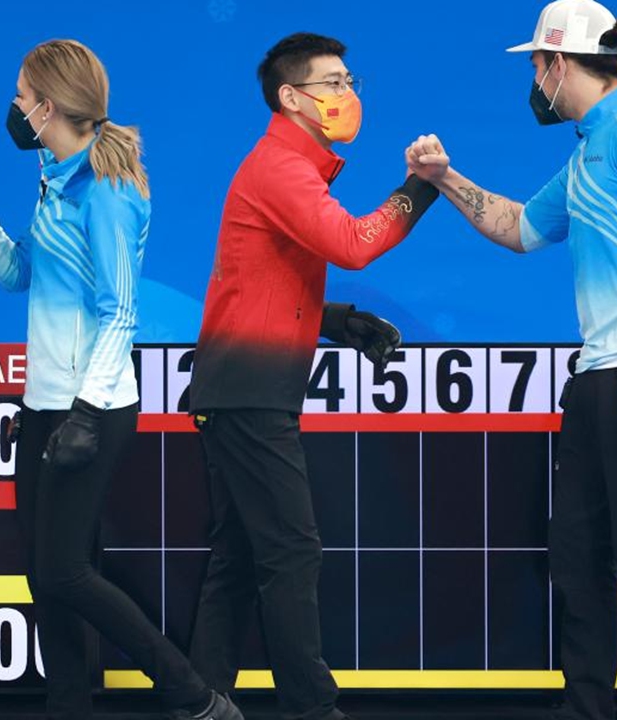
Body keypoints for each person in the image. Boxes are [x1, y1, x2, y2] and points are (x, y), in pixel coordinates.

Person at [405, 2, 617, 717]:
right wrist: (444, 177)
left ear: (557, 62)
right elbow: (518, 228)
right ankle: (587, 709)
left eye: (536, 66)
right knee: (578, 553)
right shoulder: (588, 150)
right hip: (601, 375)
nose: (534, 81)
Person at [0, 39, 241, 720]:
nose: (16, 107)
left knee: (64, 570)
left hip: (95, 408)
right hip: (43, 405)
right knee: (45, 575)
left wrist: (86, 411)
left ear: (48, 106)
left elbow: (121, 311)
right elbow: (21, 275)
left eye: (22, 97)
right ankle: (68, 705)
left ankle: (194, 697)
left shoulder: (109, 191)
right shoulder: (55, 175)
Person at [187, 32, 436, 720]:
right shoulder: (281, 169)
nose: (347, 95)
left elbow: (262, 280)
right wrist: (422, 188)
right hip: (249, 391)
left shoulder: (288, 168)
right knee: (291, 553)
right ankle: (311, 707)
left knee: (238, 559)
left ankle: (198, 701)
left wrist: (338, 322)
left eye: (350, 80)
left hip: (240, 387)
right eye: (331, 83)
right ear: (291, 98)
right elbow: (353, 244)